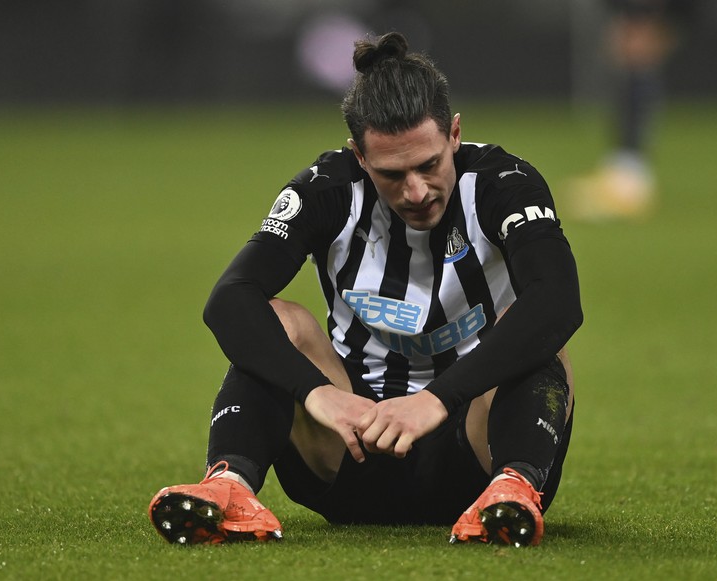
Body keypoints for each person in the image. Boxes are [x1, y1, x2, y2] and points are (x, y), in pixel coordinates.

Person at [148, 31, 583, 548]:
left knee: (538, 330)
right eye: (391, 174)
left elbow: (558, 300)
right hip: (349, 447)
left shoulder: (504, 183)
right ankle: (229, 486)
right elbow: (230, 298)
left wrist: (437, 400)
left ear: (455, 135)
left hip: (477, 453)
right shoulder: (326, 191)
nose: (416, 191)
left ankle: (515, 489)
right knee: (282, 321)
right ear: (358, 157)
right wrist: (320, 394)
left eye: (429, 165)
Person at [566, 0, 693, 221]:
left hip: (647, 14)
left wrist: (643, 20)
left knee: (638, 68)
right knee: (630, 75)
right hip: (639, 13)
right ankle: (623, 170)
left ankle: (630, 182)